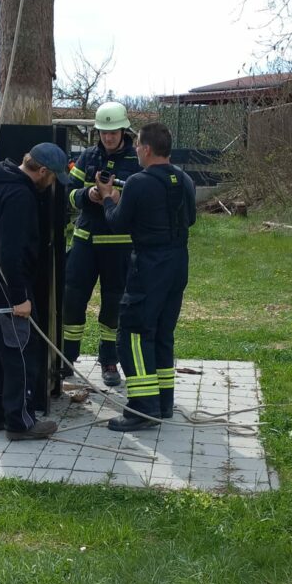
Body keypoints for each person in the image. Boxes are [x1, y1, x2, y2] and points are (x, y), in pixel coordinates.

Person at [95, 122, 196, 432]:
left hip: (149, 265)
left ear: (147, 149)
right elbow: (189, 218)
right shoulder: (186, 180)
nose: (135, 149)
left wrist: (109, 197)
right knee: (163, 333)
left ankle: (141, 408)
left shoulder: (139, 182)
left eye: (137, 145)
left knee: (134, 334)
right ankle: (163, 403)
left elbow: (117, 223)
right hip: (178, 263)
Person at [0, 142, 69, 440]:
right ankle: (20, 422)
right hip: (4, 287)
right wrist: (19, 298)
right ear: (42, 171)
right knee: (21, 352)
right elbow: (13, 253)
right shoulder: (20, 196)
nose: (52, 184)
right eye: (52, 178)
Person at [63, 101, 140, 386]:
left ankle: (109, 360)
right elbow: (68, 193)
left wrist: (117, 198)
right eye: (103, 132)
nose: (108, 137)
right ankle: (66, 358)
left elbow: (140, 199)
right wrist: (88, 195)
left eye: (113, 132)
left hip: (119, 247)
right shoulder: (87, 157)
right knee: (72, 301)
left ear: (123, 130)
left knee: (114, 305)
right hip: (85, 243)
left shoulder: (135, 160)